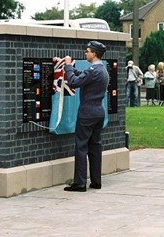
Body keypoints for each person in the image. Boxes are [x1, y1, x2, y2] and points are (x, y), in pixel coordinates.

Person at [62, 40, 109, 192]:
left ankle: (80, 183)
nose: (85, 53)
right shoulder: (102, 70)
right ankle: (96, 181)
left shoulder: (92, 70)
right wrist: (68, 66)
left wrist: (68, 66)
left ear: (94, 53)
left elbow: (75, 82)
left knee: (81, 147)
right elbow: (82, 76)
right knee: (95, 147)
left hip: (87, 114)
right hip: (98, 112)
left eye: (87, 51)